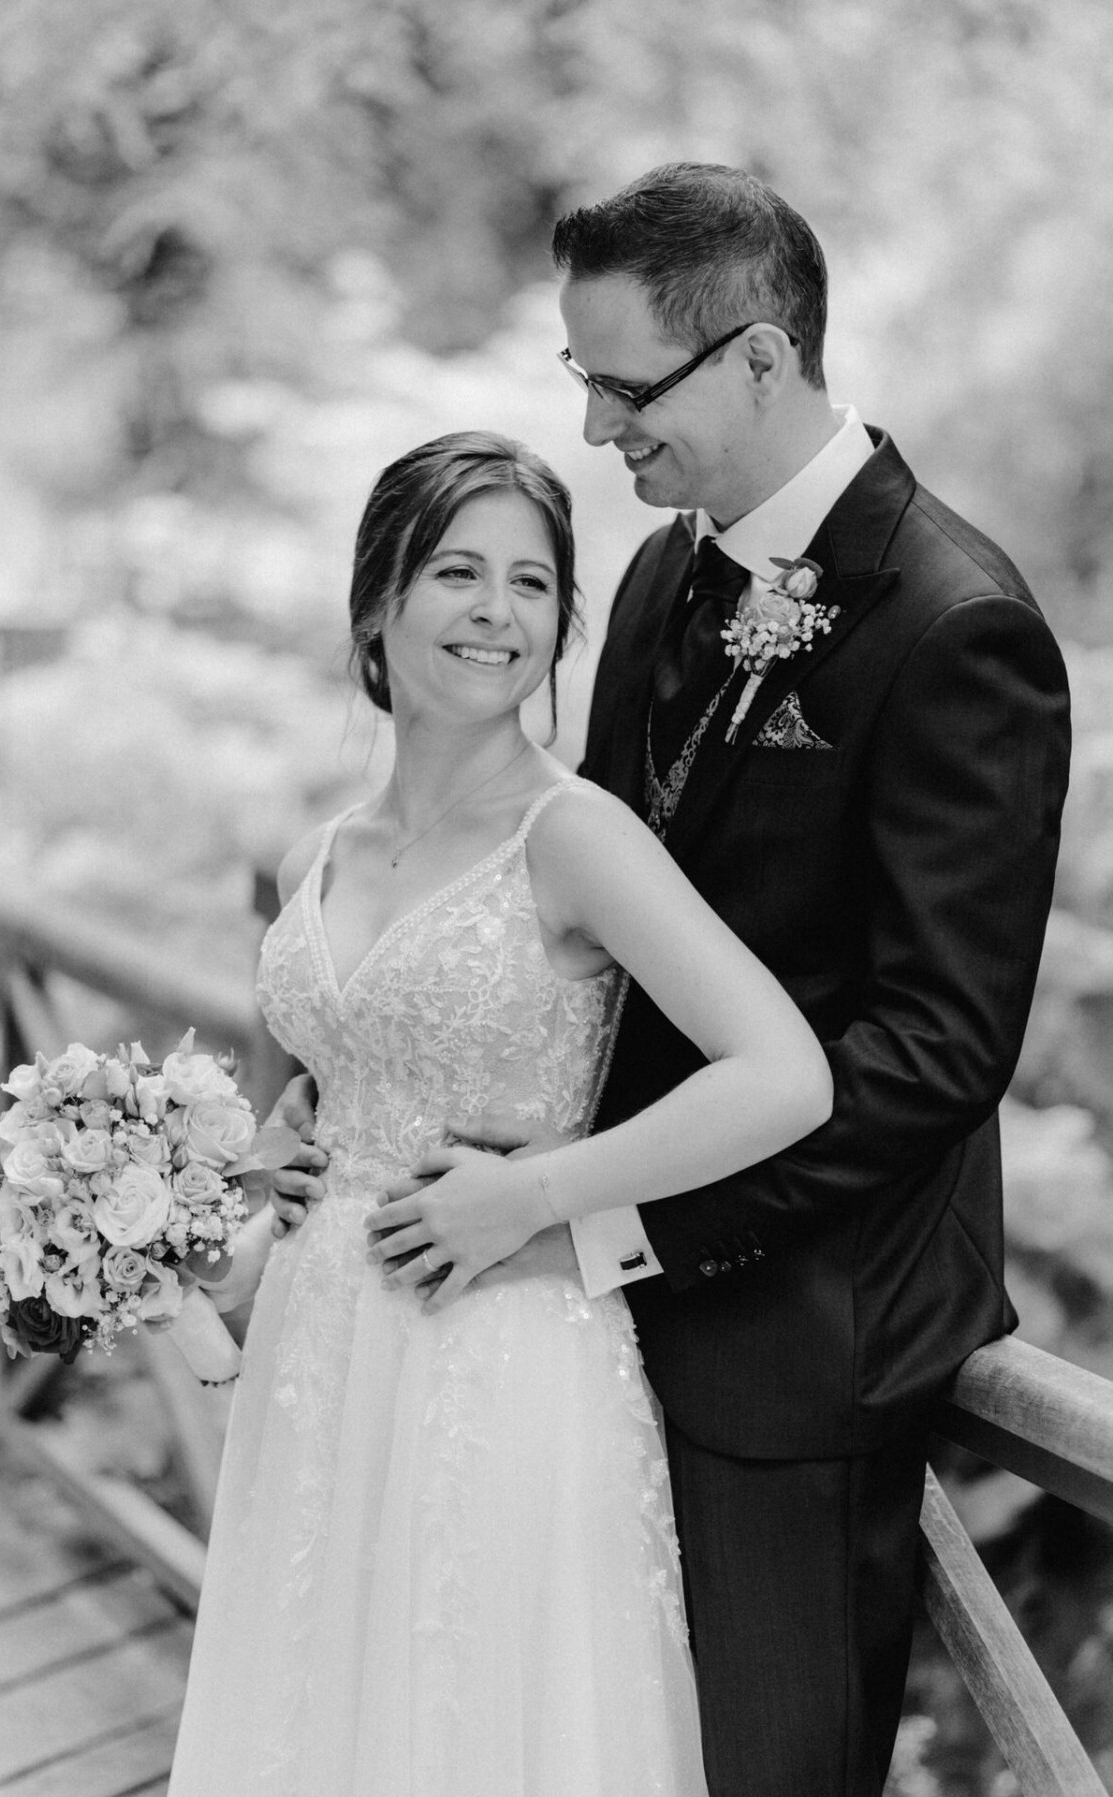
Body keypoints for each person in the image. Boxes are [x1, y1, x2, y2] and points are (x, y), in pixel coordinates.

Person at [318, 167, 1072, 1795]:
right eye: (578, 381)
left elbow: (934, 1048)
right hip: (566, 1320)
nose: (597, 432)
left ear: (759, 356)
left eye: (622, 385)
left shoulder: (958, 627)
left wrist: (594, 1213)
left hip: (802, 1342)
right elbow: (568, 933)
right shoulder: (667, 572)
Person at [167, 429, 831, 1796]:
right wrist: (266, 1153)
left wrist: (539, 1191)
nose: (497, 612)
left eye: (533, 585)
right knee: (313, 1711)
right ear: (378, 600)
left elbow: (783, 1071)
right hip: (317, 1354)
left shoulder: (575, 836)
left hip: (499, 1344)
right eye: (457, 571)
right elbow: (311, 1068)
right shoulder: (313, 854)